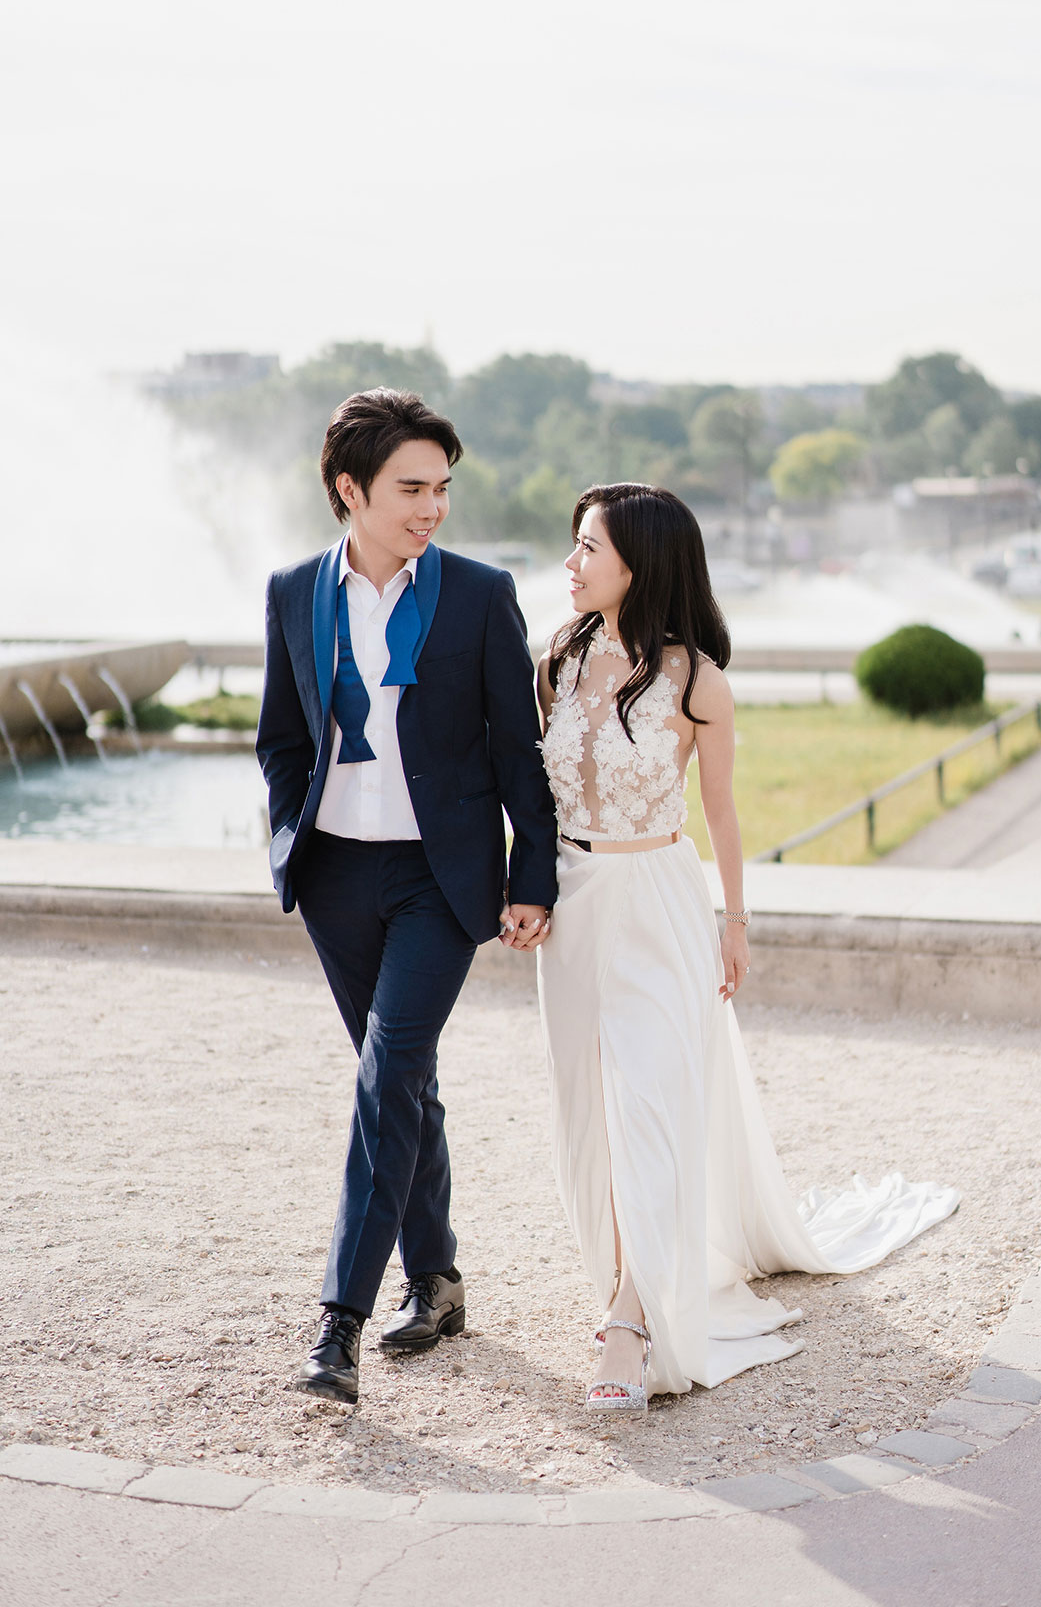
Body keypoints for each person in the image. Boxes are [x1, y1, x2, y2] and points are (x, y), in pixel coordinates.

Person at [536, 483, 958, 1413]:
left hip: (659, 903)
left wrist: (735, 921)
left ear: (640, 563)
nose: (571, 563)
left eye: (588, 547)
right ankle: (624, 1271)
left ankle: (633, 1315)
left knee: (651, 1103)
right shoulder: (557, 660)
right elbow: (537, 796)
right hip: (571, 907)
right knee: (590, 1110)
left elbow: (721, 814)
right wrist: (522, 890)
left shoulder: (698, 682)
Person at [256, 388, 557, 1405]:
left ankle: (338, 1321)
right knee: (402, 1083)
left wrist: (532, 876)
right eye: (412, 488)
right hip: (336, 874)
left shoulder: (477, 592)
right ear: (351, 489)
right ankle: (437, 1277)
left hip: (441, 877)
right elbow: (281, 737)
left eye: (443, 488)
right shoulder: (293, 591)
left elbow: (517, 748)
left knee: (388, 1077)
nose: (434, 507)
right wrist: (288, 840)